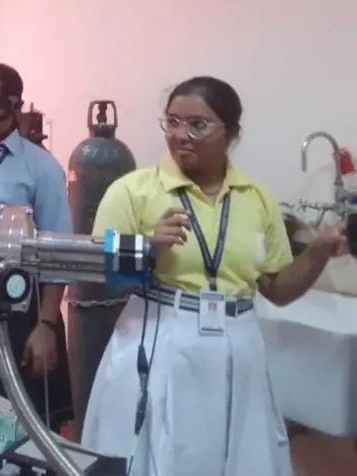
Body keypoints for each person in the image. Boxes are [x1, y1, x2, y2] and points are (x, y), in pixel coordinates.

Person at [81, 76, 347, 475]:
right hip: (159, 335)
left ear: (232, 133)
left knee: (236, 457)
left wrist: (319, 252)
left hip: (237, 343)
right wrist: (148, 249)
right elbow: (97, 277)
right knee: (154, 458)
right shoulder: (133, 191)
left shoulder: (255, 197)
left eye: (197, 125)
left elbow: (277, 289)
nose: (180, 135)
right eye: (172, 122)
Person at [0, 63, 73, 429]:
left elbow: (57, 254)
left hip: (16, 308)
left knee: (15, 421)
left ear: (16, 106)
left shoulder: (40, 168)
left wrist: (46, 325)